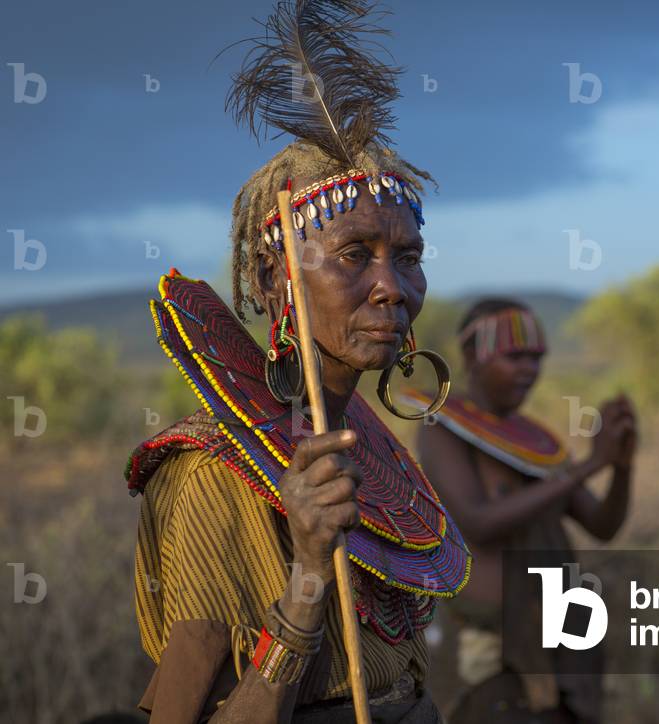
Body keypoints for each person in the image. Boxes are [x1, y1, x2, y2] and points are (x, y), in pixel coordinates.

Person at [123, 2, 470, 722]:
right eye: (354, 255)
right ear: (268, 278)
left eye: (408, 258)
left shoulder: (361, 440)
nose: (392, 289)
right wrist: (310, 574)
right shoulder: (211, 473)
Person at [413, 298, 637, 724]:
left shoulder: (535, 443)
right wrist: (589, 465)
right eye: (515, 356)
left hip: (561, 636)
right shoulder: (443, 428)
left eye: (536, 358)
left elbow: (603, 525)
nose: (529, 369)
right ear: (472, 357)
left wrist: (621, 464)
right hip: (490, 651)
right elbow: (478, 522)